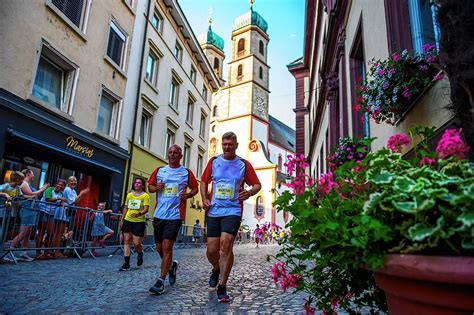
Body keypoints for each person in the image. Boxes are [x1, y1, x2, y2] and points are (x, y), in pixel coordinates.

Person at [200, 132, 261, 302]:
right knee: (212, 250)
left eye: (230, 144)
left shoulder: (243, 164)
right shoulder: (214, 162)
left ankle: (222, 286)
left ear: (236, 145)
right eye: (224, 144)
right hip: (214, 210)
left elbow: (257, 184)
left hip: (233, 210)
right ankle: (216, 268)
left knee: (226, 246)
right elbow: (204, 181)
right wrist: (204, 198)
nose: (227, 147)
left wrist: (249, 193)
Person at [148, 144, 198, 295]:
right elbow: (149, 187)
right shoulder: (159, 171)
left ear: (180, 156)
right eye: (170, 152)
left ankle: (160, 281)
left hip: (175, 215)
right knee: (158, 248)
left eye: (175, 153)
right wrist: (157, 187)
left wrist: (188, 195)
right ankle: (171, 266)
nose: (172, 155)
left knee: (167, 246)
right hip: (159, 214)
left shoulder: (186, 173)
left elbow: (195, 188)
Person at [9, 169, 49, 261]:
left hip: (31, 209)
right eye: (32, 174)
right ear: (28, 174)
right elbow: (30, 194)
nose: (33, 176)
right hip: (28, 210)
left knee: (27, 233)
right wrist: (42, 189)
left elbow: (31, 196)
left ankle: (24, 253)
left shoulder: (27, 184)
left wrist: (39, 192)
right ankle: (10, 250)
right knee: (24, 232)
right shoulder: (24, 184)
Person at [119, 178, 150, 271]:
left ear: (142, 185)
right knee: (127, 241)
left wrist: (139, 213)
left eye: (139, 183)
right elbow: (126, 207)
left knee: (137, 243)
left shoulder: (145, 196)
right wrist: (122, 219)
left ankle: (140, 253)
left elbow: (146, 209)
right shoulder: (129, 195)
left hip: (139, 221)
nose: (136, 184)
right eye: (135, 182)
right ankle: (126, 263)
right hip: (128, 219)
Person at [36, 179, 67, 259]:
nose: (59, 186)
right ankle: (38, 253)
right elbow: (47, 200)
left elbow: (56, 204)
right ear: (56, 184)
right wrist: (59, 199)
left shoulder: (60, 193)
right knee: (41, 233)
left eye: (61, 186)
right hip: (43, 212)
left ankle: (46, 252)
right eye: (58, 184)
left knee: (50, 233)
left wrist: (61, 204)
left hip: (51, 214)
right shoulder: (49, 189)